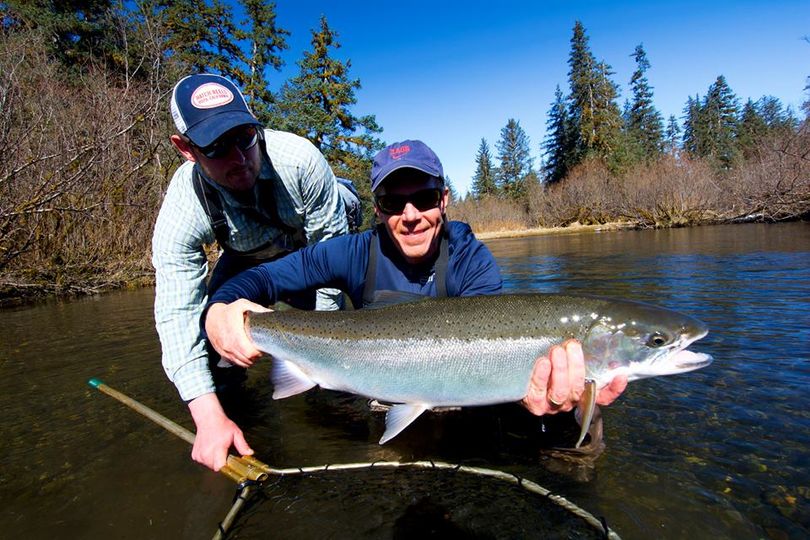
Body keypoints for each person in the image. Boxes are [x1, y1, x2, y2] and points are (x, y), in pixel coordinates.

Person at [204, 140, 628, 469]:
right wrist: (224, 309)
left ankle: (570, 472)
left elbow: (486, 362)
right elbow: (260, 277)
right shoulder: (350, 252)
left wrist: (535, 397)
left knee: (570, 424)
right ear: (378, 209)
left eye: (424, 197)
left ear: (443, 200)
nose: (410, 214)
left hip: (455, 392)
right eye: (393, 202)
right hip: (374, 382)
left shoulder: (470, 260)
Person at [152, 73, 348, 473]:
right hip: (245, 258)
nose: (239, 157)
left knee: (341, 339)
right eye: (217, 147)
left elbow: (332, 259)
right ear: (186, 149)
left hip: (313, 250)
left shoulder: (300, 160)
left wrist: (326, 350)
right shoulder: (182, 211)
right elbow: (177, 314)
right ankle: (234, 426)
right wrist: (206, 414)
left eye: (244, 137)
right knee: (213, 358)